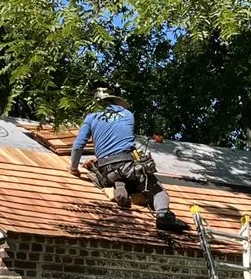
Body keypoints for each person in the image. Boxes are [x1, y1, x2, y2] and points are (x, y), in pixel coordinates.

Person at [70, 88, 189, 234]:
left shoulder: (91, 117)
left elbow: (78, 145)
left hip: (106, 170)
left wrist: (74, 169)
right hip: (127, 164)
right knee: (156, 189)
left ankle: (120, 188)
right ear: (116, 101)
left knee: (118, 175)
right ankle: (163, 215)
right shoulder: (127, 114)